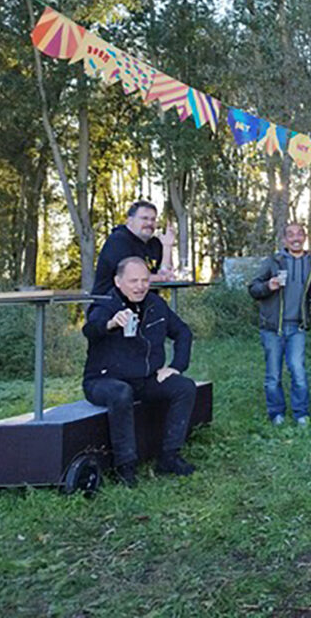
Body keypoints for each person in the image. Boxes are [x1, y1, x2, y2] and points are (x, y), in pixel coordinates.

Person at [82, 257, 196, 487]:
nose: (140, 286)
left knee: (185, 387)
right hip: (103, 381)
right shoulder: (105, 304)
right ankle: (126, 468)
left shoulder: (156, 304)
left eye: (145, 280)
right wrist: (111, 324)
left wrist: (176, 367)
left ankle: (169, 457)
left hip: (144, 380)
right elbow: (90, 329)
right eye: (133, 280)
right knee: (121, 393)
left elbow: (183, 333)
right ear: (118, 281)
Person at [248, 222, 311, 425]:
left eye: (299, 234)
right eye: (291, 235)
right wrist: (268, 285)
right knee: (273, 375)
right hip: (273, 327)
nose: (295, 238)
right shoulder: (273, 261)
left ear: (305, 237)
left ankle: (301, 413)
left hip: (297, 327)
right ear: (284, 240)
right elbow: (253, 288)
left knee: (298, 371)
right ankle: (277, 413)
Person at [91, 200, 175, 297]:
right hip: (112, 303)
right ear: (130, 220)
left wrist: (167, 246)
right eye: (144, 218)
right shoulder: (119, 240)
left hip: (145, 303)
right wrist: (162, 278)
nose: (149, 223)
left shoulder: (154, 243)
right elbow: (133, 278)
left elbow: (166, 273)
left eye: (153, 219)